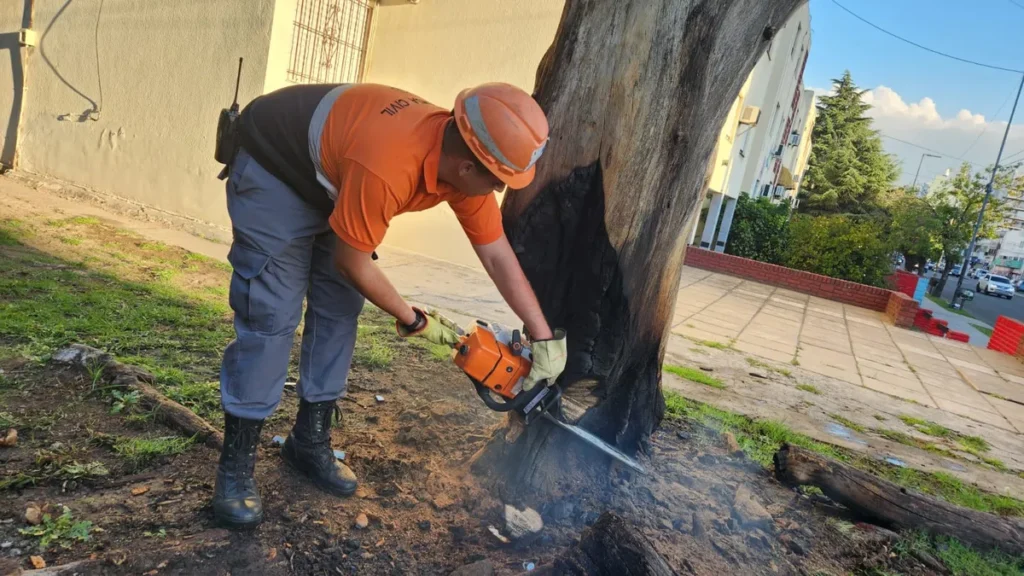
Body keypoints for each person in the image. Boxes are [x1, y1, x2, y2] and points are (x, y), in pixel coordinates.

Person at [211, 82, 567, 529]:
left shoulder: (459, 165)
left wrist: (542, 334)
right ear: (465, 165)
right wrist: (415, 320)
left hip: (337, 177)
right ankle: (236, 468)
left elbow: (496, 254)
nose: (497, 190)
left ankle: (309, 441)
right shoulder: (390, 164)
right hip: (276, 167)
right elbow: (351, 259)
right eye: (497, 180)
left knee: (340, 309)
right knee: (272, 316)